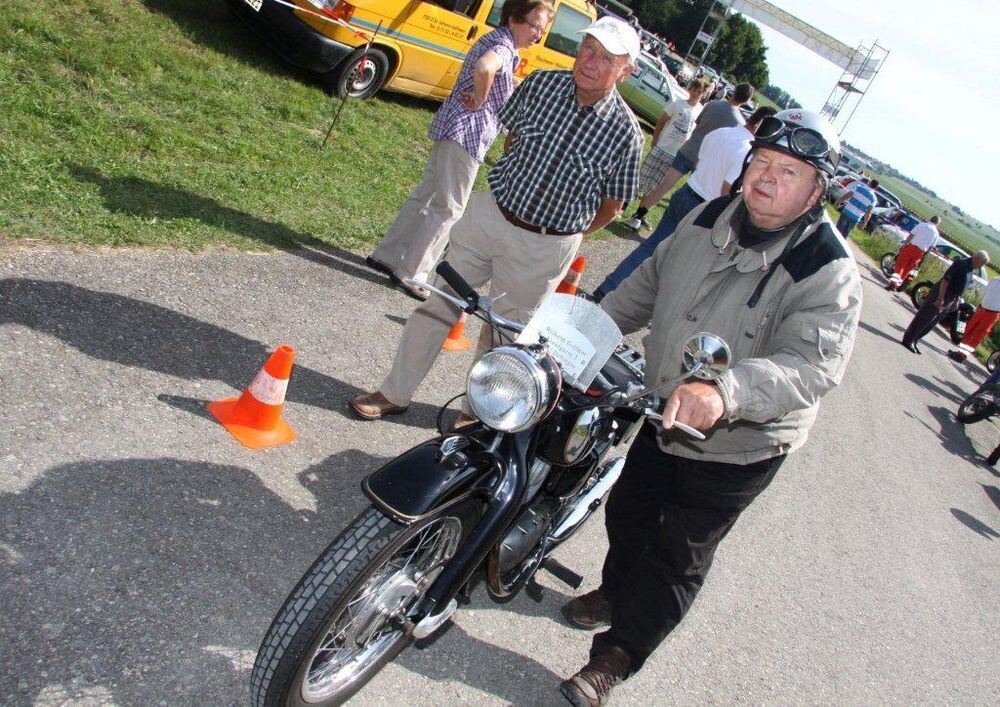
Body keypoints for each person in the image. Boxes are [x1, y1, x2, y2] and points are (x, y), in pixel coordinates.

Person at [558, 109, 863, 706]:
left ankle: (616, 658)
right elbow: (646, 283)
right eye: (763, 163)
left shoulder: (827, 270)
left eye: (790, 171)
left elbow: (810, 366)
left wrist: (726, 392)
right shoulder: (707, 214)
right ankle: (616, 590)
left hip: (741, 442)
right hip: (664, 411)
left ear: (817, 190)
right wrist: (580, 333)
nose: (768, 178)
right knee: (629, 512)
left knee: (680, 552)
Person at [350, 16, 643, 422]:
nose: (589, 61)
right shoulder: (541, 84)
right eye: (588, 48)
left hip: (544, 246)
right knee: (439, 305)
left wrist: (562, 233)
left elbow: (612, 207)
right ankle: (393, 393)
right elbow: (512, 139)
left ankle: (476, 412)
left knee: (504, 335)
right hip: (490, 216)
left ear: (625, 71)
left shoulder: (627, 134)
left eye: (606, 57)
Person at [365, 0, 554, 300]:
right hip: (467, 134)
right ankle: (412, 273)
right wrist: (481, 98)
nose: (537, 35)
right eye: (534, 26)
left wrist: (496, 91)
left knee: (426, 193)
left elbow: (488, 70)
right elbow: (484, 67)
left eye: (541, 30)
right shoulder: (504, 47)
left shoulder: (500, 41)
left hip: (452, 126)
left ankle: (387, 254)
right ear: (516, 18)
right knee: (450, 207)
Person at [594, 106, 776, 300]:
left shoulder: (721, 132)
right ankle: (637, 303)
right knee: (680, 266)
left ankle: (608, 289)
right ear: (760, 126)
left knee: (652, 248)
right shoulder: (745, 151)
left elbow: (699, 162)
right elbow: (727, 190)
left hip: (687, 192)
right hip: (705, 210)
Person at [622, 78, 708, 231]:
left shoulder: (700, 112)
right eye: (694, 89)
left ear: (703, 94)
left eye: (700, 91)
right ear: (690, 89)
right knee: (642, 178)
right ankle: (622, 207)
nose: (696, 93)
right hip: (662, 147)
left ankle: (639, 216)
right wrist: (655, 141)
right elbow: (661, 122)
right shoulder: (677, 104)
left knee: (657, 186)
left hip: (676, 155)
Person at [647, 82, 754, 199]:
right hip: (705, 160)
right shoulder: (740, 123)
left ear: (734, 92)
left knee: (663, 185)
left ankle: (641, 212)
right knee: (692, 193)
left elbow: (697, 125)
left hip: (689, 149)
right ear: (745, 101)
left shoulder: (712, 104)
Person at [901, 250, 990, 354]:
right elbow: (945, 280)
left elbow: (961, 287)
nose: (981, 266)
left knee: (932, 322)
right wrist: (940, 298)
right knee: (924, 317)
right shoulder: (961, 263)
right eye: (982, 263)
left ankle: (915, 339)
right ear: (976, 258)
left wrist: (956, 300)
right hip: (943, 293)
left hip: (951, 298)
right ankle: (908, 340)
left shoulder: (970, 269)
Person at [949, 276, 1000, 362]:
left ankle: (962, 355)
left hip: (992, 314)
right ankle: (959, 352)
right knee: (969, 330)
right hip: (981, 309)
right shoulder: (995, 279)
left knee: (977, 335)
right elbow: (987, 293)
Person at [886, 214, 940, 291]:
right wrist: (924, 254)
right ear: (937, 223)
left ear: (930, 219)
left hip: (911, 247)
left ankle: (892, 284)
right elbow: (931, 247)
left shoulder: (922, 225)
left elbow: (911, 235)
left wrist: (905, 244)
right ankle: (897, 285)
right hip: (920, 252)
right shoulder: (936, 233)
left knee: (900, 265)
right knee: (907, 269)